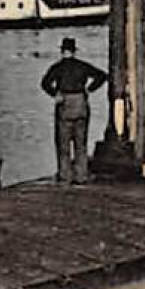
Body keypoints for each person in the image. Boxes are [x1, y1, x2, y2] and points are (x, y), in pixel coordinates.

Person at [40, 37, 108, 184]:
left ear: (62, 51)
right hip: (80, 102)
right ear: (74, 51)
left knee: (63, 143)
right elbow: (102, 76)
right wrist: (90, 89)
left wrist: (55, 94)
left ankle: (65, 175)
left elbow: (44, 83)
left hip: (65, 103)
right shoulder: (82, 66)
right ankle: (81, 175)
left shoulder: (57, 67)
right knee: (81, 142)